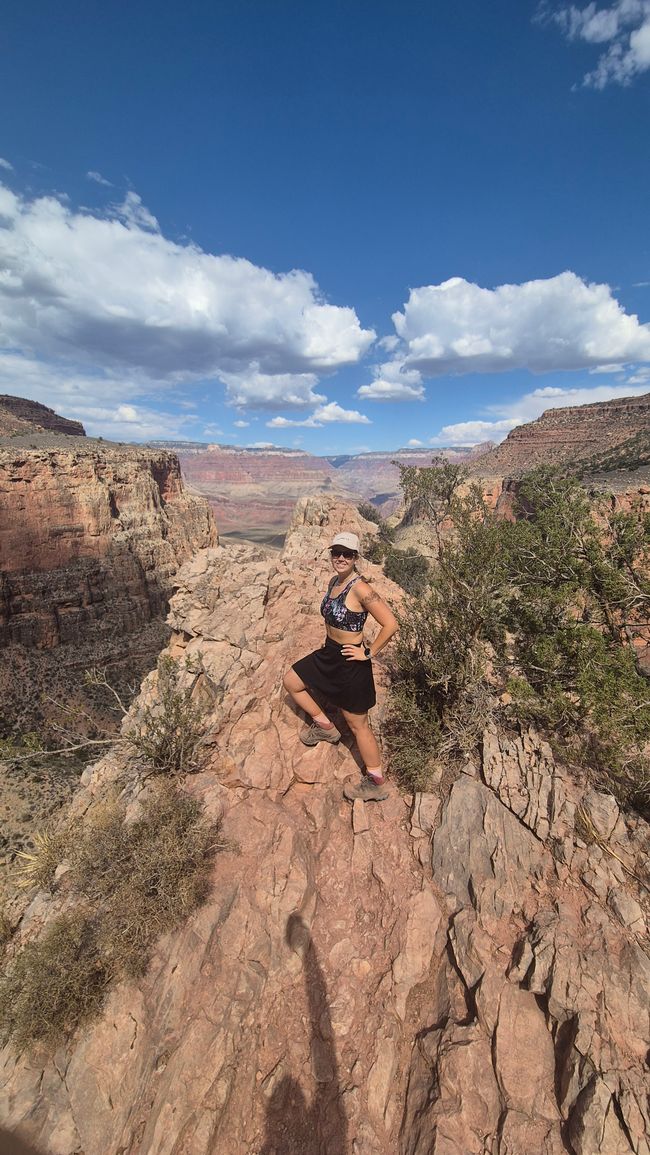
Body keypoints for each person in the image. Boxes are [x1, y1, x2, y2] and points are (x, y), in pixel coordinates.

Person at [283, 531, 398, 802]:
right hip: (329, 653)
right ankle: (325, 727)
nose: (341, 558)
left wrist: (367, 653)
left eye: (347, 554)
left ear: (356, 557)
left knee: (358, 724)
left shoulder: (361, 589)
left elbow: (391, 624)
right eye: (337, 553)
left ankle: (376, 781)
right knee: (292, 681)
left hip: (350, 662)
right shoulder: (333, 581)